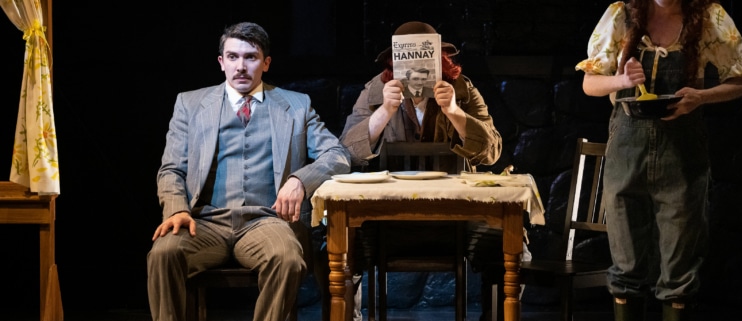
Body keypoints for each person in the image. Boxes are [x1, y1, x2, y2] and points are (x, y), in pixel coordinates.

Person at [147, 21, 351, 321]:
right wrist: (176, 209)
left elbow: (338, 155)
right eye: (233, 57)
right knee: (163, 255)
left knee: (287, 259)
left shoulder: (296, 106)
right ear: (221, 62)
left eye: (250, 57)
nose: (241, 66)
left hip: (267, 221)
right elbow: (171, 169)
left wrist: (300, 180)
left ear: (266, 63)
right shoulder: (190, 104)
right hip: (204, 221)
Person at [575, 1, 742, 320]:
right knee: (626, 269)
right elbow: (590, 83)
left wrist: (700, 97)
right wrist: (621, 82)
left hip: (682, 148)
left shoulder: (708, 17)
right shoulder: (622, 15)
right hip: (628, 144)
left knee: (679, 273)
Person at [339, 21, 504, 321]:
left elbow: (492, 151)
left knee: (504, 241)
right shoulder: (376, 91)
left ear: (441, 60)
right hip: (388, 221)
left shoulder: (462, 90)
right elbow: (347, 151)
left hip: (455, 218)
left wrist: (455, 112)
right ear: (393, 62)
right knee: (341, 244)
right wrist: (384, 112)